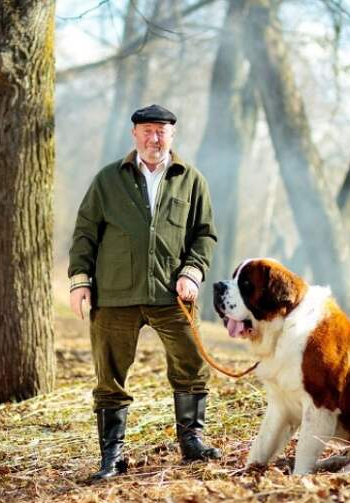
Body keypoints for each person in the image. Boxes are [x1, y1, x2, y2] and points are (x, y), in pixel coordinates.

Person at [68, 104, 220, 482]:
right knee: (110, 377)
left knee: (190, 366)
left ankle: (192, 442)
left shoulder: (191, 180)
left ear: (173, 135)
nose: (155, 138)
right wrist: (80, 280)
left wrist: (193, 272)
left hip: (174, 296)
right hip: (115, 296)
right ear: (134, 134)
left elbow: (204, 234)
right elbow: (85, 232)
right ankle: (112, 458)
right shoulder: (108, 179)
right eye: (148, 130)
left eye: (162, 131)